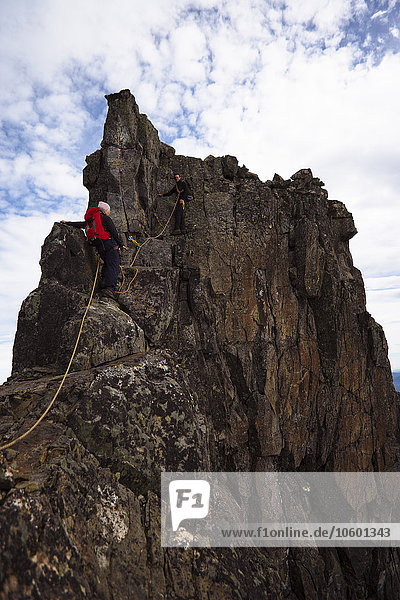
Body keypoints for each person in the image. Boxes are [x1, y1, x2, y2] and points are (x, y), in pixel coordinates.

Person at [61, 201, 127, 298]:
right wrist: (121, 244)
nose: (109, 212)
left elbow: (81, 224)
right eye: (109, 210)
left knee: (107, 264)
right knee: (113, 265)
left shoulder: (91, 220)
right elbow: (114, 232)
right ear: (105, 211)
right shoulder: (105, 218)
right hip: (110, 245)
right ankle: (109, 289)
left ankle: (104, 283)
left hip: (100, 247)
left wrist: (68, 223)